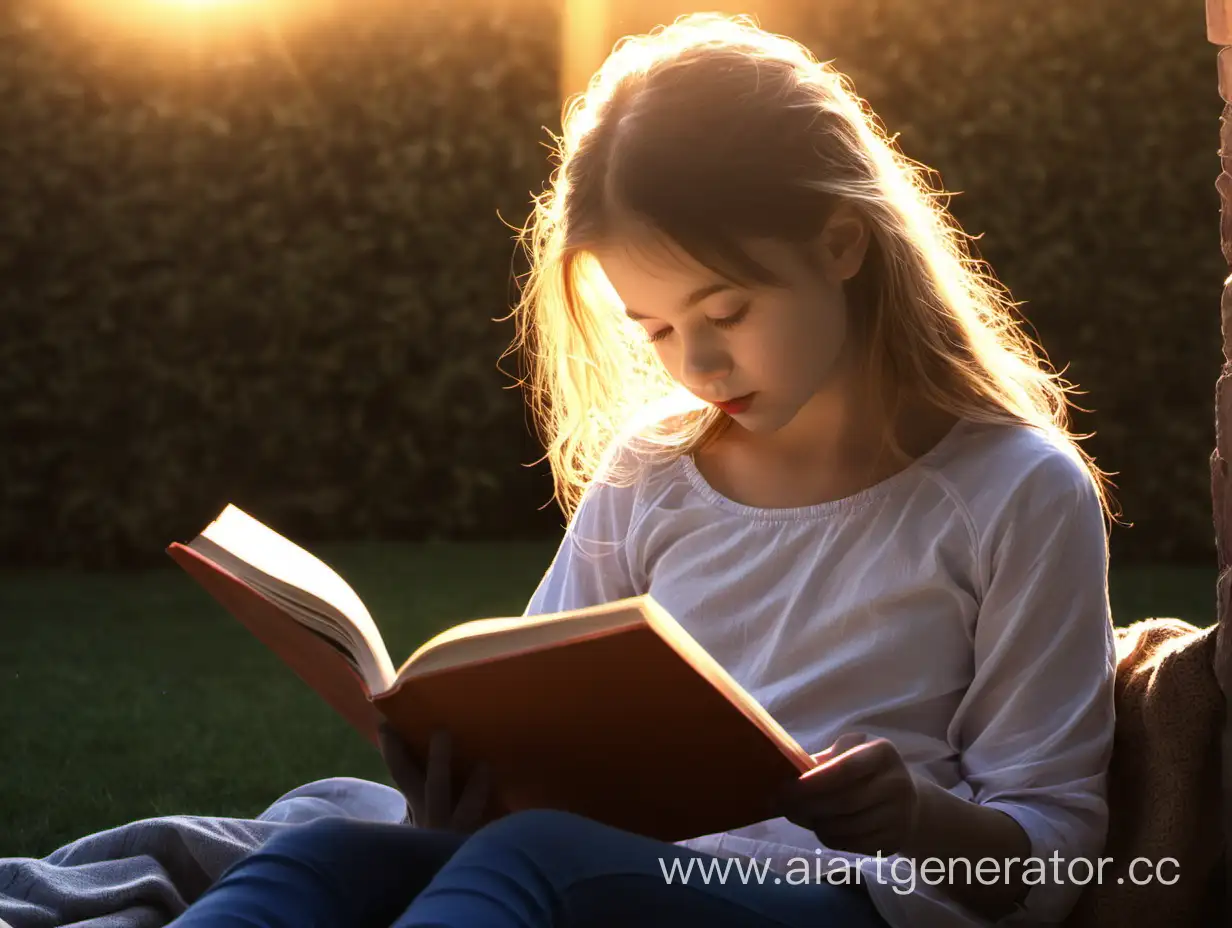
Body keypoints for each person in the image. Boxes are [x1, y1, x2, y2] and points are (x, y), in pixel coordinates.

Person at [168, 12, 1117, 928]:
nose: (696, 367)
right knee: (325, 853)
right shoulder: (656, 473)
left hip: (850, 896)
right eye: (656, 330)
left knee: (533, 864)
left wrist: (917, 818)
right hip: (619, 866)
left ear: (840, 242)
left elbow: (1055, 857)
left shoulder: (1015, 490)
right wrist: (463, 784)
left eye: (728, 312)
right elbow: (533, 714)